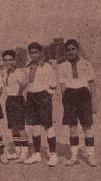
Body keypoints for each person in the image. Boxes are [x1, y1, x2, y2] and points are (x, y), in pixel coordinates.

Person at [59, 39, 97, 167]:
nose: (71, 52)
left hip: (83, 96)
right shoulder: (62, 66)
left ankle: (91, 156)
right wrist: (66, 102)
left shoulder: (86, 64)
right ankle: (74, 156)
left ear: (78, 49)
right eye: (68, 50)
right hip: (70, 96)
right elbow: (63, 86)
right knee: (72, 128)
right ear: (66, 52)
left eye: (73, 49)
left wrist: (94, 102)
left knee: (87, 127)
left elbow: (92, 84)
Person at [24, 42, 58, 166]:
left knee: (48, 125)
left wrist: (47, 96)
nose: (33, 55)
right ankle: (37, 154)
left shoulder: (47, 66)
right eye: (31, 52)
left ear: (41, 53)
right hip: (31, 97)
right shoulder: (27, 67)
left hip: (43, 97)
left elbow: (53, 84)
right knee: (34, 126)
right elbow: (27, 83)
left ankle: (53, 154)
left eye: (36, 52)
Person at [2, 50, 29, 163]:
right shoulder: (5, 72)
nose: (8, 62)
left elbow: (24, 83)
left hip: (17, 100)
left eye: (10, 60)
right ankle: (17, 150)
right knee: (13, 127)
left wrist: (18, 94)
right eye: (6, 60)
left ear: (14, 60)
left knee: (20, 127)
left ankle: (24, 152)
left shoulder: (19, 71)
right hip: (9, 100)